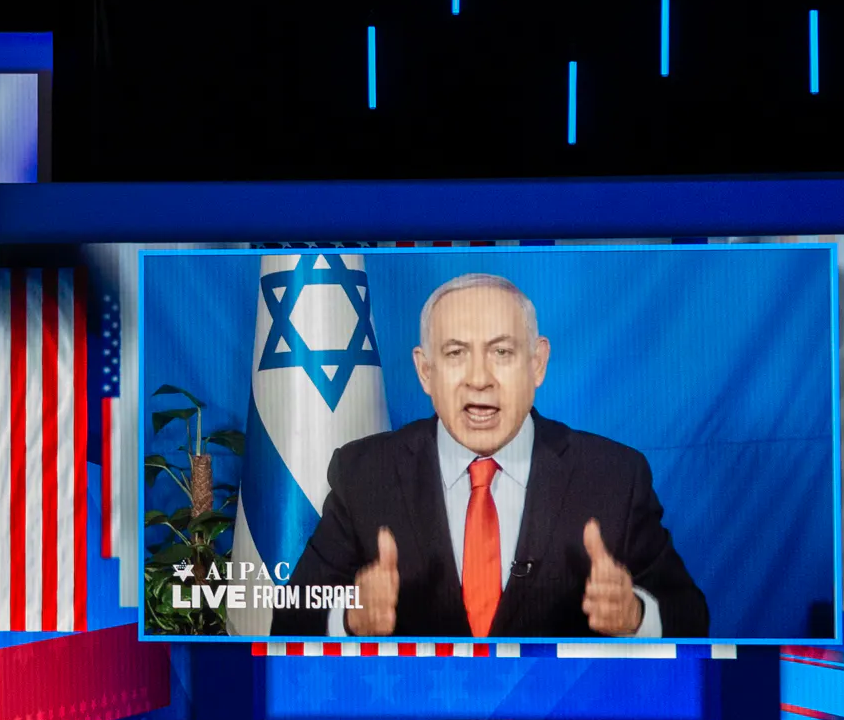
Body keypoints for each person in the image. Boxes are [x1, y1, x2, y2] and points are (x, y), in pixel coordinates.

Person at [279, 273, 708, 640]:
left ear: (537, 364)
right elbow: (287, 624)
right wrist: (351, 619)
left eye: (501, 352)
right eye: (455, 353)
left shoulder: (613, 476)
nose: (479, 379)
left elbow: (690, 617)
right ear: (425, 372)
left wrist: (635, 615)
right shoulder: (365, 474)